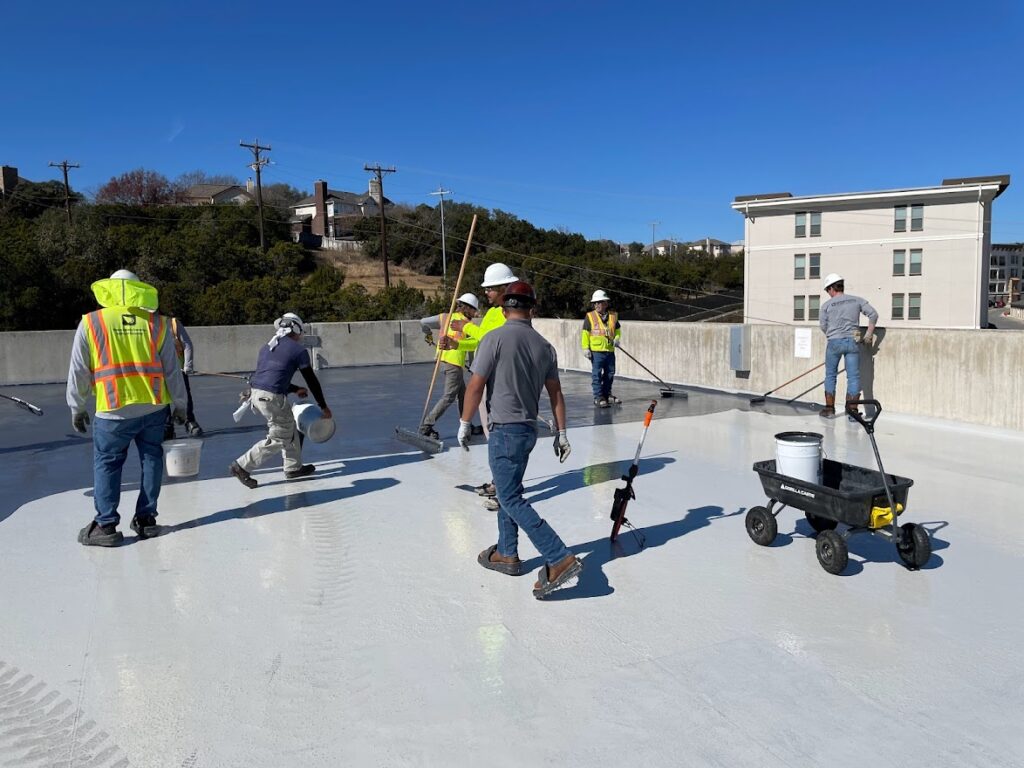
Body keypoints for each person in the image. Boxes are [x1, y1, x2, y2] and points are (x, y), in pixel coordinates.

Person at [458, 280, 582, 600]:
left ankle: (558, 557)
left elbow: (475, 386)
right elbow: (556, 394)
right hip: (528, 432)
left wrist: (463, 422)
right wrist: (562, 432)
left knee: (511, 498)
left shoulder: (493, 339)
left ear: (503, 308)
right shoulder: (544, 346)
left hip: (504, 432)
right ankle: (506, 552)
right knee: (507, 489)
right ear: (532, 310)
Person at [67, 269, 187, 547]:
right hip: (153, 408)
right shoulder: (156, 323)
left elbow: (78, 370)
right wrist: (180, 405)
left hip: (112, 410)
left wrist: (77, 406)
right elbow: (173, 370)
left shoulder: (91, 323)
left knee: (108, 464)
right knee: (152, 459)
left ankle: (106, 525)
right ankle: (146, 520)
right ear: (138, 291)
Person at [439, 263, 518, 510]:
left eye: (490, 288)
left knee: (501, 437)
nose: (486, 293)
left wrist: (466, 327)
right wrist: (456, 346)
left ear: (504, 287)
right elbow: (481, 343)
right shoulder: (495, 313)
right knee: (492, 435)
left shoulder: (511, 312)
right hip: (489, 381)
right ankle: (499, 483)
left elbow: (493, 340)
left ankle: (507, 492)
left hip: (502, 382)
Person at [229, 313, 332, 488]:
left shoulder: (267, 347)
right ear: (297, 329)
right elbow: (311, 380)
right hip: (271, 397)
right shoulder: (299, 351)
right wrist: (323, 406)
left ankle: (293, 467)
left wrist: (295, 389)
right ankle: (242, 466)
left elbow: (274, 376)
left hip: (257, 394)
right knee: (279, 437)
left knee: (289, 426)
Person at [418, 293, 481, 439]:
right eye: (474, 310)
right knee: (449, 396)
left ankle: (467, 426)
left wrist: (427, 334)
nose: (475, 313)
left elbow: (423, 322)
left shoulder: (445, 317)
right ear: (467, 308)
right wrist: (473, 367)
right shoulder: (468, 325)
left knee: (464, 396)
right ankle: (426, 426)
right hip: (453, 364)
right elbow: (472, 347)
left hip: (443, 361)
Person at [818, 273, 878, 419]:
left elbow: (823, 326)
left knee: (830, 375)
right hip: (853, 342)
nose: (828, 293)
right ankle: (852, 412)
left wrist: (832, 335)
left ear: (832, 288)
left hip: (834, 343)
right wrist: (868, 335)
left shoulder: (826, 305)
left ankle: (829, 409)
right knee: (853, 377)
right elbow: (873, 315)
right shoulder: (856, 300)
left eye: (828, 290)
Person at [163, 315, 203, 439]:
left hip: (177, 370)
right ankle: (167, 427)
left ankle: (189, 421)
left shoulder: (172, 323)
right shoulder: (144, 325)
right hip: (158, 372)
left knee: (185, 396)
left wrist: (187, 366)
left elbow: (187, 344)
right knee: (162, 401)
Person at [581, 289, 622, 407]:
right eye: (595, 303)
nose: (597, 305)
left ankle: (607, 395)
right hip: (596, 351)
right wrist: (585, 348)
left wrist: (617, 338)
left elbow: (618, 329)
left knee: (610, 374)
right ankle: (598, 397)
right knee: (597, 375)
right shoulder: (590, 316)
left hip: (609, 350)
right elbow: (585, 333)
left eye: (599, 302)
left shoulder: (613, 316)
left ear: (606, 303)